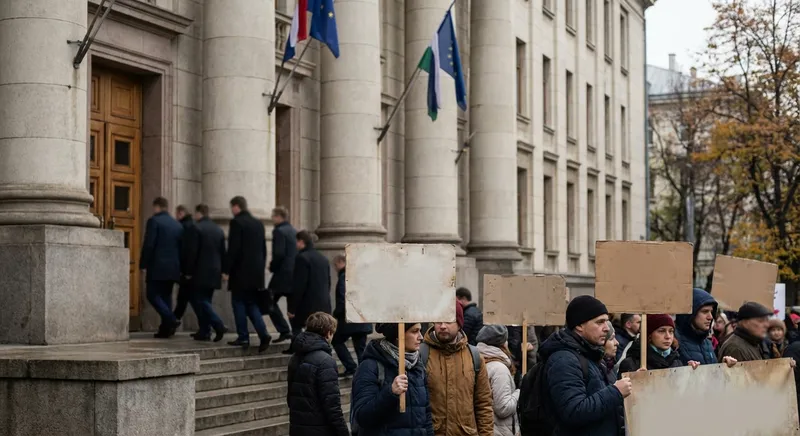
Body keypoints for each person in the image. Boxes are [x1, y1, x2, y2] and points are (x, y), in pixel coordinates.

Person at [538, 295, 627, 436]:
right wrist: (615, 391)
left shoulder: (590, 355)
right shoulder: (564, 360)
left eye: (607, 321)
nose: (606, 328)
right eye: (600, 322)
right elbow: (573, 411)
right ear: (579, 326)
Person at [422, 301, 494, 436]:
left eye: (449, 321)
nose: (443, 326)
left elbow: (484, 405)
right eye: (439, 321)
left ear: (459, 323)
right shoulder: (421, 355)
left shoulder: (474, 357)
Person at [350, 323, 434, 435]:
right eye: (414, 331)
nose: (421, 336)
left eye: (420, 331)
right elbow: (362, 417)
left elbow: (426, 415)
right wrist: (390, 392)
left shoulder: (417, 366)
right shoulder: (370, 366)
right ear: (398, 335)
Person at [286, 312, 349, 436]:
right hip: (320, 429)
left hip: (297, 427)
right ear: (328, 333)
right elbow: (332, 405)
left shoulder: (295, 357)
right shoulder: (325, 361)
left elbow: (290, 397)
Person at [224, 196, 270, 352]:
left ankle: (243, 337)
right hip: (256, 273)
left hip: (240, 272)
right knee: (251, 303)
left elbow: (233, 249)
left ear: (236, 206)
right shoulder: (258, 223)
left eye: (232, 207)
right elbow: (263, 250)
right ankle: (263, 334)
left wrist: (226, 270)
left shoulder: (237, 222)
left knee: (238, 303)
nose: (232, 211)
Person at [182, 204, 227, 342]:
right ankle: (204, 331)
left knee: (200, 301)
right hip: (215, 271)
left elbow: (192, 253)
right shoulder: (218, 230)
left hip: (200, 272)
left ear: (198, 213)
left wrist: (188, 271)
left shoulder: (196, 228)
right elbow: (223, 253)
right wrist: (224, 271)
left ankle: (218, 324)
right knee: (206, 300)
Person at [140, 197, 183, 338]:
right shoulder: (177, 225)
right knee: (166, 296)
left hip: (157, 267)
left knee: (151, 295)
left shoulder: (154, 221)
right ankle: (165, 330)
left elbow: (149, 245)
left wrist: (143, 264)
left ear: (157, 206)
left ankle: (171, 319)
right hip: (173, 268)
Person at [286, 230, 332, 354]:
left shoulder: (301, 258)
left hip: (307, 304)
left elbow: (299, 285)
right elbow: (328, 282)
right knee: (320, 331)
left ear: (301, 242)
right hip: (323, 303)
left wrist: (292, 308)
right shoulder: (323, 258)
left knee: (296, 325)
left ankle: (296, 349)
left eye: (296, 242)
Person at [331, 253, 372, 377]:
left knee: (336, 340)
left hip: (351, 319)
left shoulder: (345, 277)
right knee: (360, 348)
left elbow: (344, 299)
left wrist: (336, 314)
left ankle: (351, 366)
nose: (335, 268)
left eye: (335, 265)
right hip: (363, 319)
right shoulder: (360, 277)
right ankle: (365, 373)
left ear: (340, 262)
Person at [618, 314, 700, 374]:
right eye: (661, 331)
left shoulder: (676, 362)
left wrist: (690, 373)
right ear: (649, 335)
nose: (668, 336)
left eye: (671, 331)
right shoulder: (631, 364)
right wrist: (636, 380)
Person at [476, 325, 519, 436]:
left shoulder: (476, 361)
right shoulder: (499, 369)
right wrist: (519, 392)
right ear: (503, 344)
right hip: (500, 431)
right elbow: (503, 408)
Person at [267, 206, 298, 343]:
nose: (272, 219)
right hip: (294, 274)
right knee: (292, 308)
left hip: (282, 274)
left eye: (273, 216)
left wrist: (272, 266)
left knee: (268, 300)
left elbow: (279, 253)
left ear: (279, 216)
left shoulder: (279, 231)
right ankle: (295, 338)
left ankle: (284, 330)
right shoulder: (293, 230)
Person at [675, 288, 720, 365]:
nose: (710, 317)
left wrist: (725, 366)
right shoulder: (674, 343)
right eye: (705, 311)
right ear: (691, 314)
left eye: (711, 312)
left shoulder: (708, 343)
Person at [173, 205, 197, 324]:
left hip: (187, 271)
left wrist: (186, 271)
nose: (176, 217)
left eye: (177, 214)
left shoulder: (184, 227)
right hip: (192, 270)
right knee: (189, 299)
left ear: (181, 213)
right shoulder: (192, 225)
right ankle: (207, 328)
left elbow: (187, 250)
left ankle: (172, 322)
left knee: (183, 299)